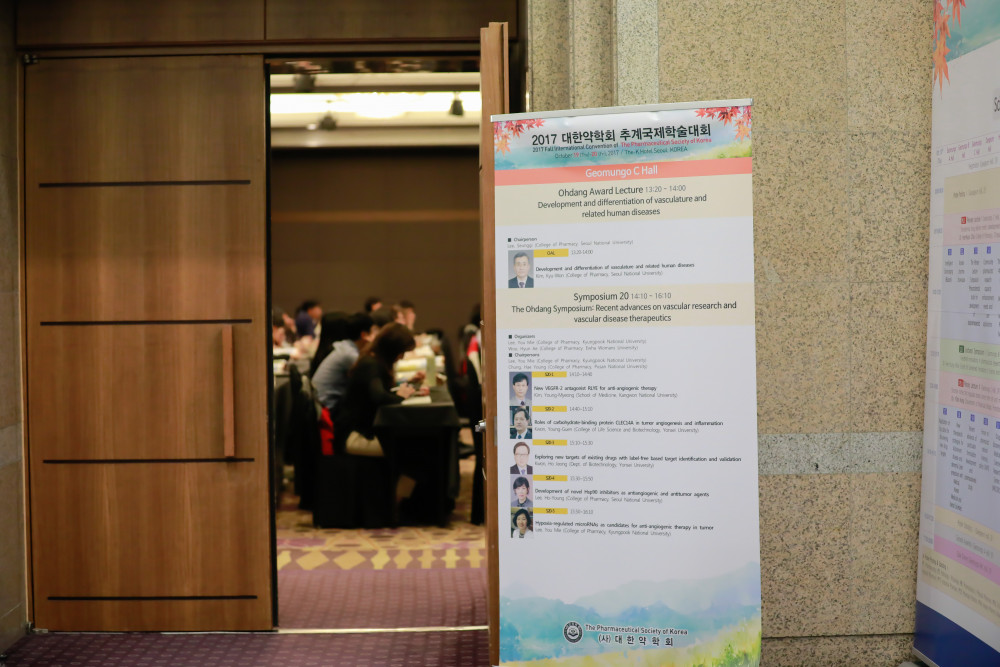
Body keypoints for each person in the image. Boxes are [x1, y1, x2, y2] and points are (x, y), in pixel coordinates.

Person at [335, 323, 429, 457]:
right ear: (391, 350)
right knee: (415, 447)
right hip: (354, 435)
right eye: (401, 352)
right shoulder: (371, 365)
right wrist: (400, 397)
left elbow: (381, 390)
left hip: (364, 428)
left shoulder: (373, 359)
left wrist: (408, 382)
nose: (401, 357)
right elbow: (379, 397)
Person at [312, 312, 377, 412]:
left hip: (322, 404)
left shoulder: (345, 346)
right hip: (327, 408)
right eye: (373, 332)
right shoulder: (350, 355)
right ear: (364, 335)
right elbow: (369, 381)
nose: (376, 336)